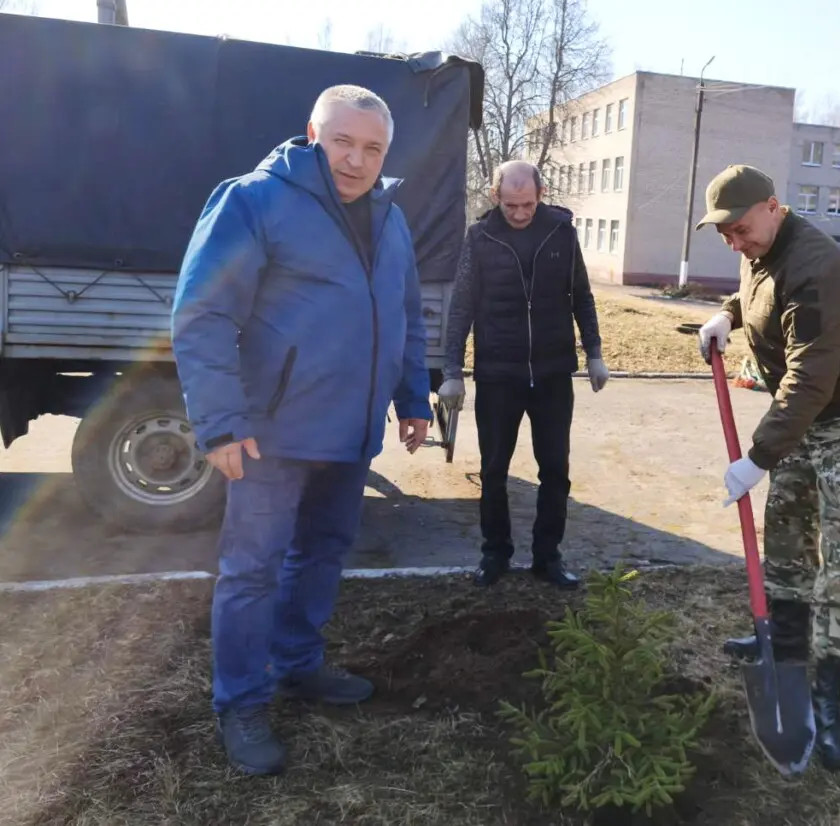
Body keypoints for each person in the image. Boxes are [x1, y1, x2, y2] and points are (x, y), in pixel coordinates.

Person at [171, 85, 431, 776]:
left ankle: (298, 664)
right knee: (251, 570)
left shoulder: (390, 217)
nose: (356, 159)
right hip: (269, 437)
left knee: (322, 551)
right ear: (312, 134)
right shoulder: (254, 201)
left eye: (372, 148)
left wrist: (413, 397)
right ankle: (241, 702)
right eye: (344, 141)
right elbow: (202, 316)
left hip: (350, 435)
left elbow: (405, 315)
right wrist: (221, 424)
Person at [695, 164, 840, 774]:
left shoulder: (820, 271)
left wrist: (757, 457)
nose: (733, 241)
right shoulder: (759, 247)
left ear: (772, 206)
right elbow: (757, 288)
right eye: (723, 234)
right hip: (805, 411)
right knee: (784, 531)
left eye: (737, 228)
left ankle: (832, 699)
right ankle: (781, 647)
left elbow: (810, 378)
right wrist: (727, 315)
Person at [437, 160, 609, 590]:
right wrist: (452, 371)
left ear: (541, 192)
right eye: (510, 205)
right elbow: (461, 306)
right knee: (494, 470)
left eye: (527, 204)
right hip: (498, 374)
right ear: (496, 196)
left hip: (552, 374)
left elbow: (582, 296)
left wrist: (594, 352)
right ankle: (495, 554)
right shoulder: (480, 237)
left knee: (555, 470)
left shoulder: (562, 233)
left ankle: (547, 557)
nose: (519, 214)